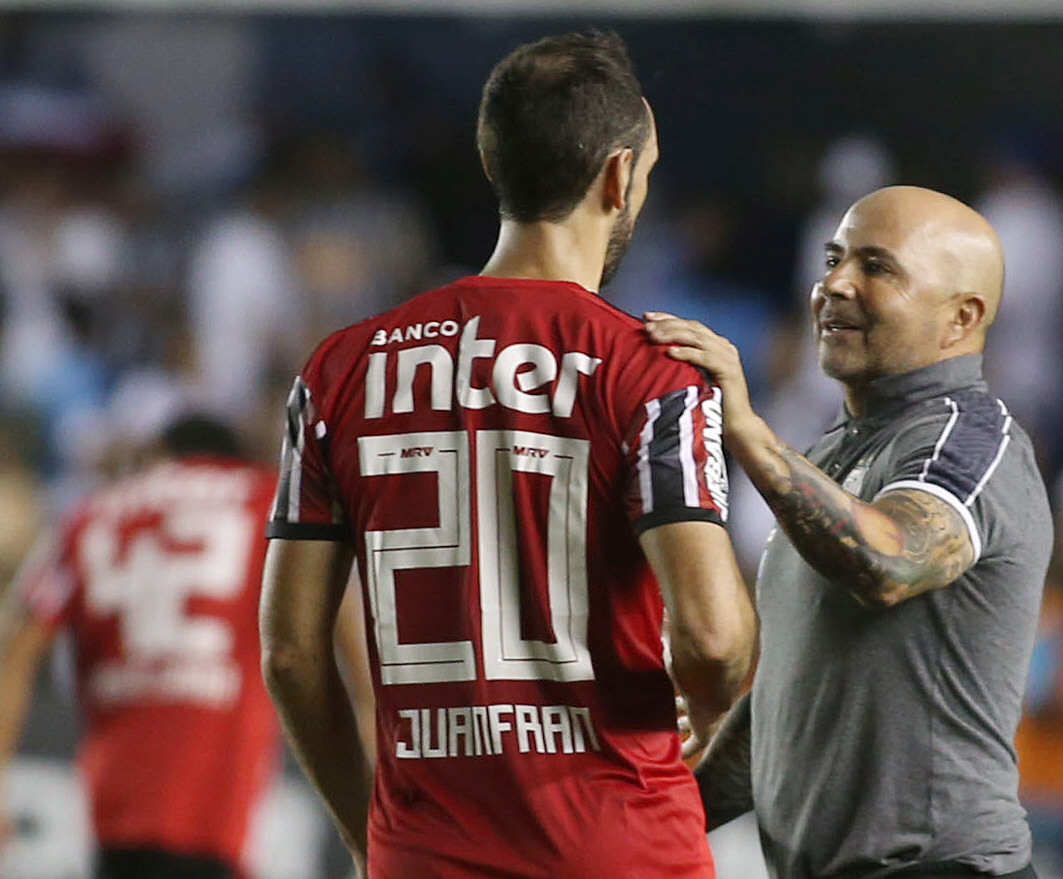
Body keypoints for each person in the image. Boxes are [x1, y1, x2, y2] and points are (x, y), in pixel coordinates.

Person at [260, 31, 756, 879]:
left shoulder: (340, 370)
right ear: (619, 177)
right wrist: (716, 702)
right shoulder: (653, 369)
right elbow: (712, 639)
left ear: (492, 162)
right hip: (621, 848)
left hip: (424, 854)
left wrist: (366, 835)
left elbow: (291, 651)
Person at [646, 185, 1052, 879]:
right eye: (834, 259)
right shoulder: (835, 451)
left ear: (962, 317)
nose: (835, 284)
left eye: (877, 267)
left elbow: (889, 563)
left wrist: (745, 431)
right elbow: (786, 709)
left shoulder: (972, 440)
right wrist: (641, 822)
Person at [0, 415, 283, 879]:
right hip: (212, 794)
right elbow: (331, 618)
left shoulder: (91, 512)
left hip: (114, 796)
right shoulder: (265, 499)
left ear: (160, 456)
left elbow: (18, 647)